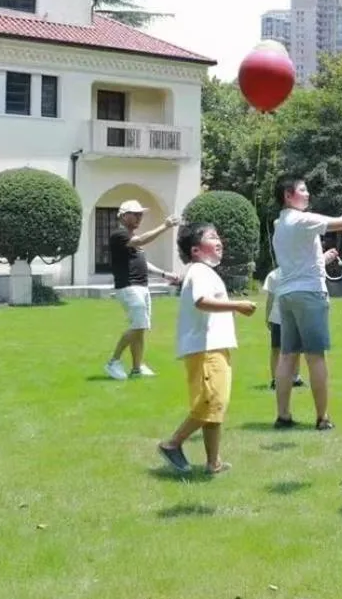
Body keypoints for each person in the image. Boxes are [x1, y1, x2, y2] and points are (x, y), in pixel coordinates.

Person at [157, 223, 256, 475]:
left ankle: (214, 463)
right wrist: (237, 305)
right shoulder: (200, 271)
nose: (219, 240)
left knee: (215, 407)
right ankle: (172, 444)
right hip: (205, 348)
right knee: (211, 402)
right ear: (196, 250)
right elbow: (201, 302)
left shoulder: (202, 271)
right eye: (212, 237)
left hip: (213, 347)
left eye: (218, 235)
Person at [271, 176, 342, 431]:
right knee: (315, 356)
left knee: (287, 356)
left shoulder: (279, 223)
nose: (307, 194)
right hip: (310, 294)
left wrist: (320, 258)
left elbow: (300, 256)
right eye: (302, 190)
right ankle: (322, 418)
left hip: (287, 294)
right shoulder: (302, 219)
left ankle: (283, 416)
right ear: (287, 196)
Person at [105, 200, 182, 381]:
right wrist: (165, 226)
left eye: (141, 214)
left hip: (141, 286)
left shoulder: (131, 239)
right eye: (135, 214)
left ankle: (137, 368)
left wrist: (164, 274)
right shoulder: (119, 234)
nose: (139, 217)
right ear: (124, 216)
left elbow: (142, 263)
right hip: (129, 287)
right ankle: (113, 361)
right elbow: (140, 240)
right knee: (138, 326)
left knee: (141, 328)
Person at [260, 267, 304, 390]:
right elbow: (270, 298)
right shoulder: (274, 275)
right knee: (276, 349)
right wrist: (267, 316)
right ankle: (275, 379)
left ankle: (295, 377)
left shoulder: (299, 273)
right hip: (278, 317)